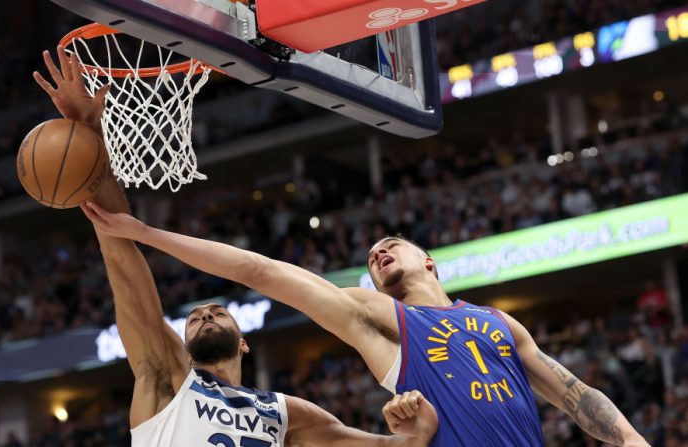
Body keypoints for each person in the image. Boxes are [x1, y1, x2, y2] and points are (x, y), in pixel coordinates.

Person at [34, 47, 438, 447]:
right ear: (187, 349)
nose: (206, 313)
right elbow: (121, 261)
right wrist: (91, 136)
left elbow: (384, 446)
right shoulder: (168, 379)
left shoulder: (287, 413)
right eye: (195, 318)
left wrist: (417, 428)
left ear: (244, 342)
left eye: (215, 312)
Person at [81, 213, 651, 444]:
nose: (380, 248)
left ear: (430, 260)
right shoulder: (382, 320)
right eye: (374, 252)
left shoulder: (498, 321)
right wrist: (147, 234)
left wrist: (628, 438)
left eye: (393, 243)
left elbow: (573, 393)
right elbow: (262, 270)